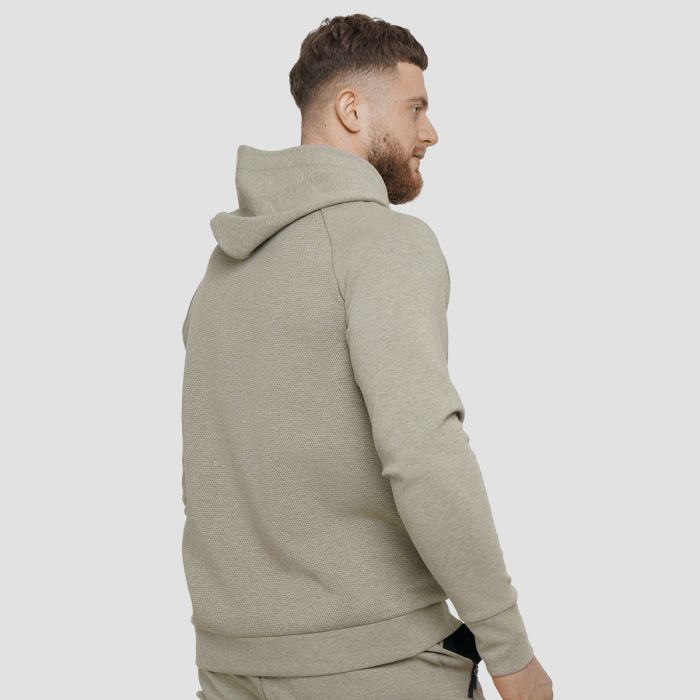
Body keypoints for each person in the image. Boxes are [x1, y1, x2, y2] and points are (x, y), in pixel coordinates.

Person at [181, 13, 553, 700]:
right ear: (352, 110)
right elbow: (424, 453)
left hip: (229, 663)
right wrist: (509, 648)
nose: (430, 132)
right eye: (415, 108)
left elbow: (210, 473)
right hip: (373, 664)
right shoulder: (385, 244)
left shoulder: (221, 273)